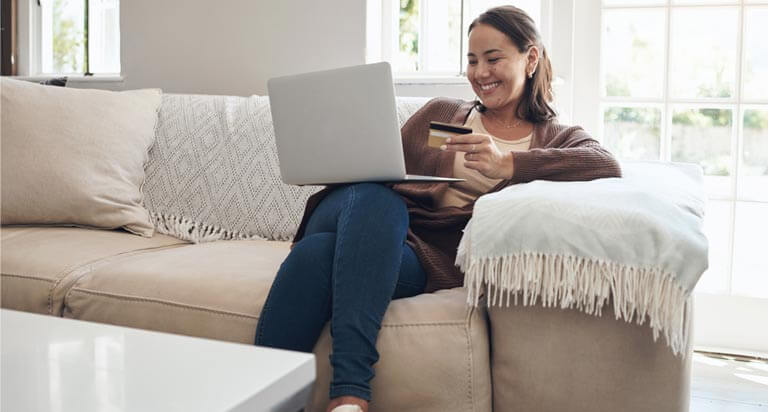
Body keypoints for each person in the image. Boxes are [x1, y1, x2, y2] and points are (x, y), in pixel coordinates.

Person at [254, 5, 622, 412]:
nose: (480, 73)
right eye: (472, 60)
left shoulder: (555, 137)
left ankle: (264, 400)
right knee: (378, 199)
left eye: (493, 59)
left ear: (530, 58)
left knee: (315, 256)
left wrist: (508, 164)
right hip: (358, 213)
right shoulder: (444, 116)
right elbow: (377, 162)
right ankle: (350, 393)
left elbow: (604, 164)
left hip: (422, 254)